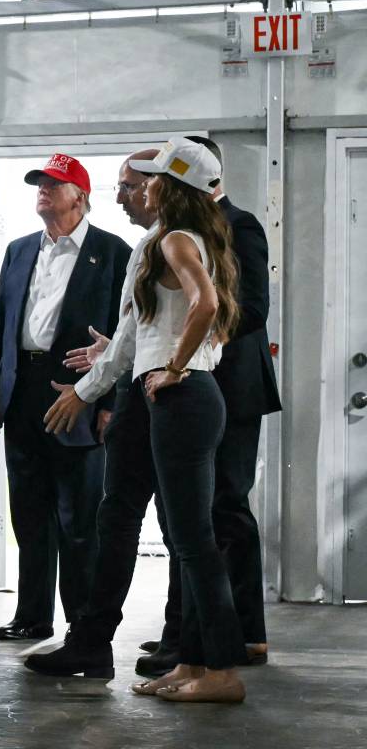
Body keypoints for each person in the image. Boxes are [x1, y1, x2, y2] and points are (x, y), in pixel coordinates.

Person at [39, 137, 247, 703]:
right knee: (187, 538)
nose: (140, 186)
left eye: (149, 178)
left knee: (194, 540)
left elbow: (204, 305)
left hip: (182, 399)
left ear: (171, 188)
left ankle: (223, 672)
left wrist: (174, 367)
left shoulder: (176, 239)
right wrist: (151, 360)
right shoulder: (187, 238)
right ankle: (195, 664)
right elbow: (149, 329)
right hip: (181, 397)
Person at [140, 136, 280, 670]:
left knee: (224, 509)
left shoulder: (238, 224)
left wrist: (192, 351)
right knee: (187, 515)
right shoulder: (175, 233)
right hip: (195, 384)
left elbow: (252, 308)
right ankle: (185, 633)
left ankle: (245, 634)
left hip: (231, 388)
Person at [0, 153, 130, 642]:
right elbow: (2, 322)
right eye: (39, 183)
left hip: (79, 394)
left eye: (54, 184)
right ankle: (32, 615)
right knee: (29, 511)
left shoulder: (112, 253)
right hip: (23, 390)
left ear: (80, 197)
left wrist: (108, 402)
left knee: (78, 517)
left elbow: (127, 334)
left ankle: (82, 623)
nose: (43, 190)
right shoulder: (20, 250)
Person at [22, 148, 161, 679]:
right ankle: (90, 640)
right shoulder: (158, 243)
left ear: (161, 187)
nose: (119, 195)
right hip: (132, 393)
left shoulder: (152, 245)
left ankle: (199, 651)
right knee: (121, 520)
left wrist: (92, 391)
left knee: (157, 528)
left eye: (128, 186)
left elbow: (200, 317)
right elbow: (133, 336)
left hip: (157, 398)